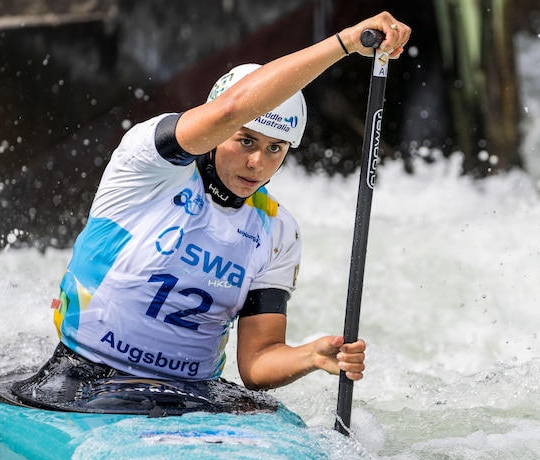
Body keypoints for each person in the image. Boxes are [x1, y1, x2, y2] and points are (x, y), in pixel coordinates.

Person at [28, 12, 412, 402]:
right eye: (245, 141)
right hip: (85, 377)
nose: (257, 163)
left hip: (194, 395)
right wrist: (345, 43)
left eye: (275, 149)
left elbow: (257, 365)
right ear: (216, 130)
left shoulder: (277, 230)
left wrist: (310, 355)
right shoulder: (150, 165)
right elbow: (231, 110)